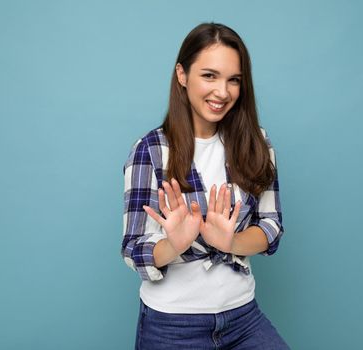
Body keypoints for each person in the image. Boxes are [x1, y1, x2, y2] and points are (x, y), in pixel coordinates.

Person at [121, 22, 291, 350]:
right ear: (182, 75)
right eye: (209, 76)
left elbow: (271, 225)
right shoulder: (151, 151)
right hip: (172, 326)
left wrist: (231, 241)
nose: (222, 92)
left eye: (233, 80)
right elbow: (133, 247)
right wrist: (175, 244)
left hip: (242, 316)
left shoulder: (257, 142)